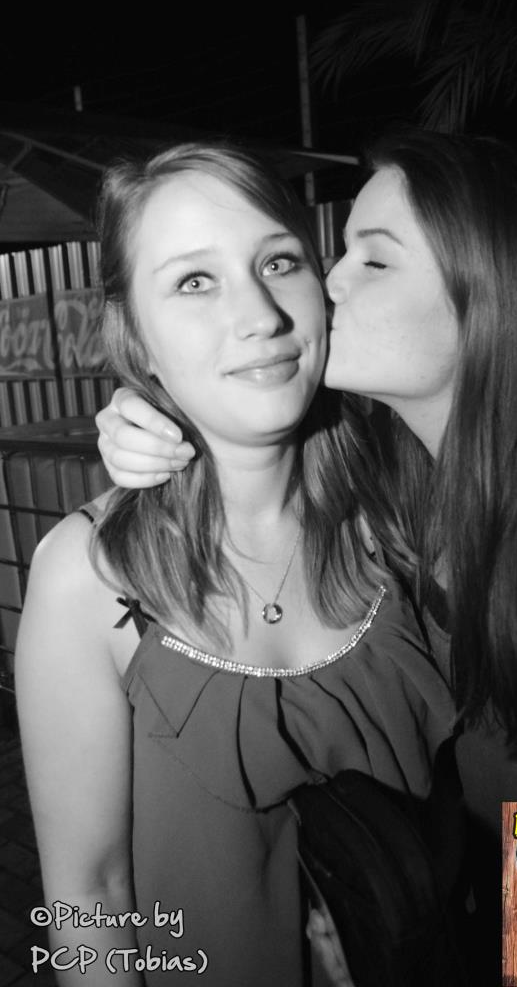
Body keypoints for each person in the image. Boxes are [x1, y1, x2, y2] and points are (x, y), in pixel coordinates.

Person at [97, 126, 517, 977]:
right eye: (333, 254)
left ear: (492, 290)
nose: (327, 282)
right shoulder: (412, 477)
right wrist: (147, 410)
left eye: (372, 260)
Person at [14, 141, 459, 987]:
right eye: (194, 280)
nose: (260, 312)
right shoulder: (88, 576)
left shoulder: (417, 507)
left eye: (279, 261)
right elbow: (87, 895)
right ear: (134, 337)